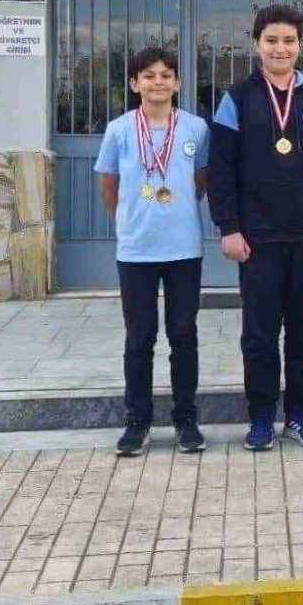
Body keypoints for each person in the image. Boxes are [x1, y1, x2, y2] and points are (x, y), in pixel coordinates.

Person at [209, 4, 303, 451]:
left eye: (289, 40)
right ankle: (262, 417)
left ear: (300, 45)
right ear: (257, 44)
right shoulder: (237, 98)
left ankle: (301, 415)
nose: (280, 48)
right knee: (259, 336)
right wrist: (228, 226)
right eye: (271, 40)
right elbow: (221, 168)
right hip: (257, 241)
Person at [94, 47, 211, 458]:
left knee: (184, 334)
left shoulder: (196, 128)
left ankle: (186, 419)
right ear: (134, 84)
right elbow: (109, 185)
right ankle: (137, 421)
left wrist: (176, 211)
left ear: (178, 83)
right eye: (148, 75)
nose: (157, 82)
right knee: (140, 337)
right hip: (136, 251)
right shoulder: (119, 130)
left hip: (183, 248)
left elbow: (200, 181)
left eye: (165, 75)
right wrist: (129, 221)